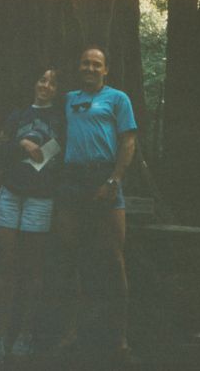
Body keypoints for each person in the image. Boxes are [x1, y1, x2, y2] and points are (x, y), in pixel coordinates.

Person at [55, 46, 137, 361]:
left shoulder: (118, 99)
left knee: (115, 260)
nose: (90, 68)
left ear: (105, 70)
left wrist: (113, 180)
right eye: (85, 63)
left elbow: (128, 141)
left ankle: (120, 338)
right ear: (79, 68)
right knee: (70, 257)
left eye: (96, 64)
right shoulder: (68, 100)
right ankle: (70, 333)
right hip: (72, 182)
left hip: (105, 180)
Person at [0, 68, 64, 362]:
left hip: (40, 199)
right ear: (34, 83)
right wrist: (22, 143)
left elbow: (63, 155)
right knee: (7, 264)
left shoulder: (60, 120)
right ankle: (1, 335)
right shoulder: (17, 116)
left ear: (58, 90)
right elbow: (0, 148)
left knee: (33, 268)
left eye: (52, 83)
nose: (46, 85)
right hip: (11, 194)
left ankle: (26, 334)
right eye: (42, 80)